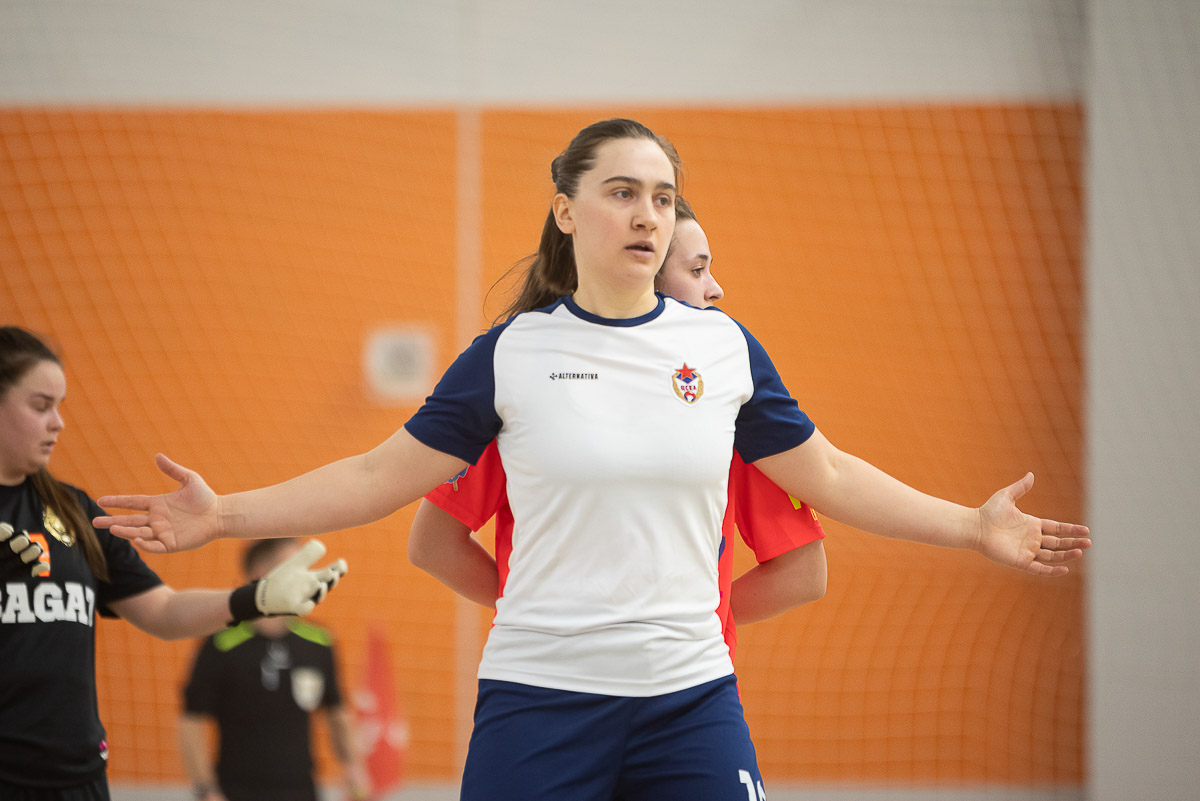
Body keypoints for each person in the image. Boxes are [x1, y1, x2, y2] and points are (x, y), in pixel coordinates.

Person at [94, 118, 1090, 801]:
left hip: (692, 699)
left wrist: (973, 525)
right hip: (539, 699)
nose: (647, 214)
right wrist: (223, 515)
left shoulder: (723, 348)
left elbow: (827, 474)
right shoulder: (508, 355)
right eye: (622, 192)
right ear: (567, 210)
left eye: (662, 196)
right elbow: (371, 479)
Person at [408, 195, 829, 662]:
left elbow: (803, 571)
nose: (716, 289)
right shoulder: (530, 388)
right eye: (696, 270)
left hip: (686, 682)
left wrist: (683, 628)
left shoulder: (726, 405)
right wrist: (543, 617)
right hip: (552, 677)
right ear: (640, 277)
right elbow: (433, 543)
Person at [0, 325, 348, 801]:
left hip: (76, 780)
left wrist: (256, 598)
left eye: (60, 405)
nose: (58, 422)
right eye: (41, 406)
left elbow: (164, 612)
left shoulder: (74, 512)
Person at [180, 537, 370, 801]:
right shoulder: (221, 642)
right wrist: (205, 789)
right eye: (294, 565)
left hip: (302, 791)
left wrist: (353, 766)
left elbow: (336, 710)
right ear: (261, 573)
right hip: (235, 792)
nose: (304, 575)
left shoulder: (319, 641)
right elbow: (192, 719)